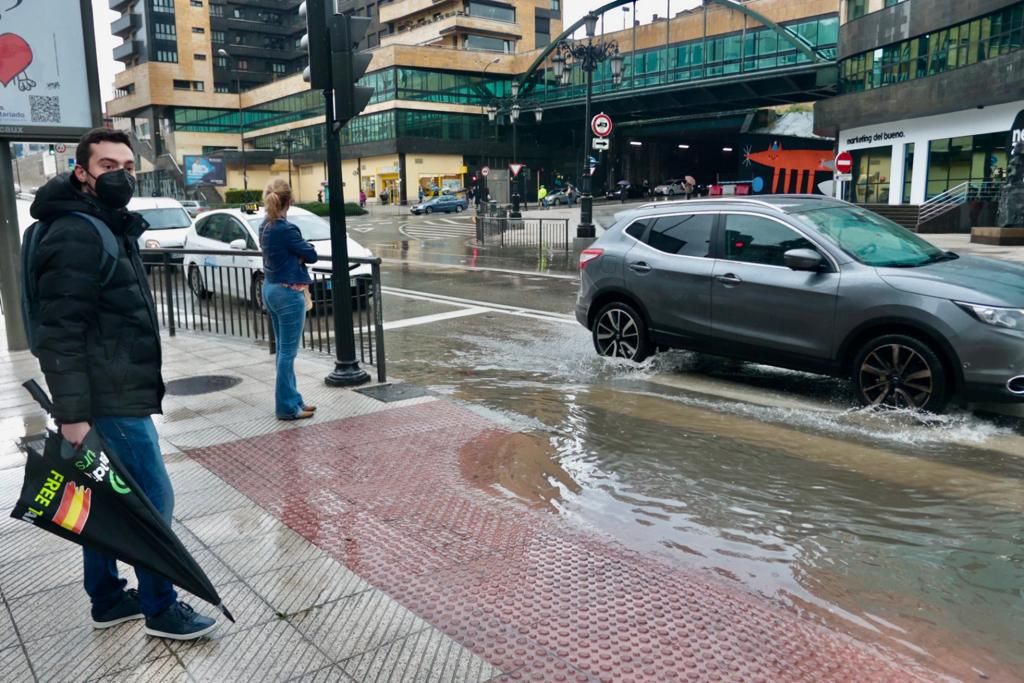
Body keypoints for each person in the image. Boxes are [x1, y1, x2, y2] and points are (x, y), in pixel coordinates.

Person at [28, 127, 218, 640]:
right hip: (109, 397)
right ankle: (161, 608)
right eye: (108, 166)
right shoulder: (75, 232)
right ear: (82, 172)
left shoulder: (102, 223)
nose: (121, 176)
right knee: (152, 501)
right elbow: (60, 332)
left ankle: (108, 599)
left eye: (127, 167)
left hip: (112, 389)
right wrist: (72, 415)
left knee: (106, 500)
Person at [259, 179, 318, 422]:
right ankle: (286, 407)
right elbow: (311, 254)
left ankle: (294, 399)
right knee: (287, 354)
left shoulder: (265, 225)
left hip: (270, 289)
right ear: (290, 201)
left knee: (284, 351)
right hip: (288, 293)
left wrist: (297, 256)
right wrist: (301, 256)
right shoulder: (286, 229)